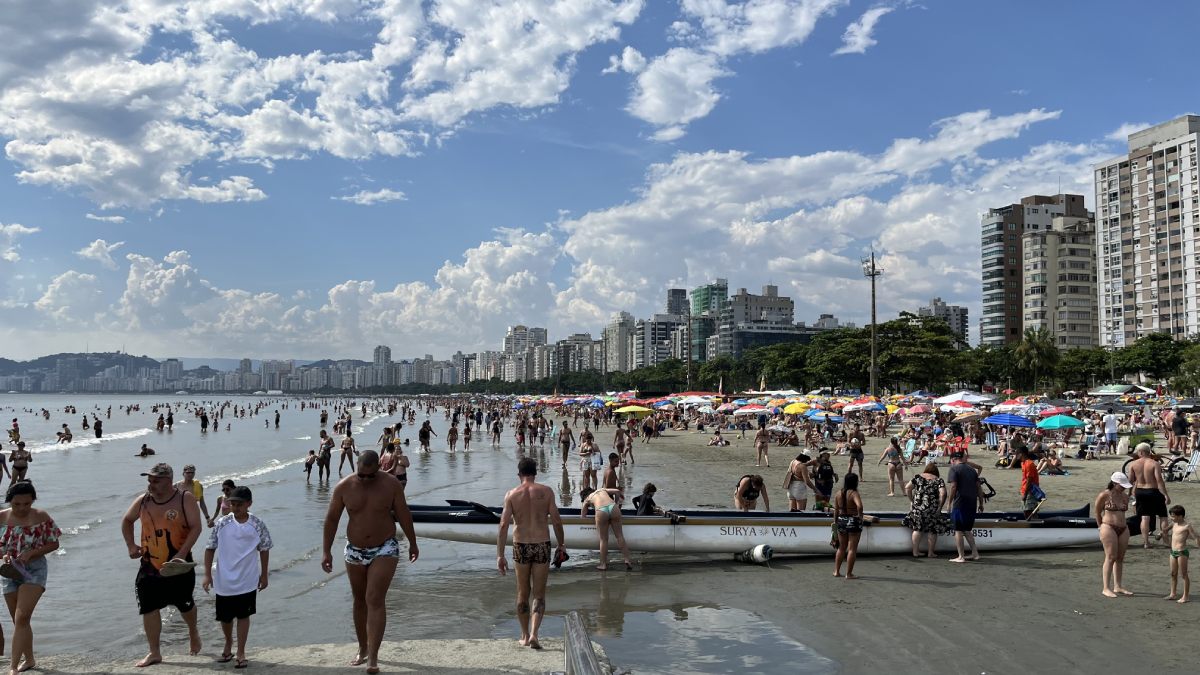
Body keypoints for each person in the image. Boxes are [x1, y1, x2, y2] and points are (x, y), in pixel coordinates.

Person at [321, 450, 419, 674]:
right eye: (361, 475)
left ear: (379, 467)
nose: (364, 480)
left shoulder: (391, 484)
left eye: (369, 476)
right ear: (356, 466)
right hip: (354, 549)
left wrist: (413, 542)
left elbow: (403, 513)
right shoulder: (344, 487)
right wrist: (326, 551)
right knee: (359, 600)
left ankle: (373, 657)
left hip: (384, 546)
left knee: (374, 598)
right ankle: (363, 648)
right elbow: (332, 519)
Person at [120, 463, 204, 667]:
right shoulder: (143, 501)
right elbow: (127, 520)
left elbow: (196, 527)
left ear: (168, 481)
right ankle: (154, 652)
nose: (151, 484)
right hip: (149, 565)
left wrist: (182, 554)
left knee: (184, 603)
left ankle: (193, 631)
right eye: (149, 480)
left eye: (156, 480)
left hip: (178, 565)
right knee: (148, 607)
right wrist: (131, 545)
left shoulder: (185, 499)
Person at [496, 457, 566, 650]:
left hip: (521, 546)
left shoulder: (511, 494)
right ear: (535, 473)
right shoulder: (546, 492)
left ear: (519, 474)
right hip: (541, 544)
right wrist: (561, 544)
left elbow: (503, 525)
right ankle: (535, 633)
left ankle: (524, 635)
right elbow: (557, 521)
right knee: (539, 594)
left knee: (522, 592)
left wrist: (500, 555)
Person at [203, 486, 272, 668]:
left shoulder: (257, 524)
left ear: (249, 503)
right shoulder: (222, 523)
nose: (235, 507)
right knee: (225, 618)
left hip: (247, 580)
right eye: (232, 503)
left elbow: (264, 549)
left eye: (239, 504)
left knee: (243, 616)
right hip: (224, 579)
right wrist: (207, 575)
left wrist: (264, 575)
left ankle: (241, 651)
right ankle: (228, 643)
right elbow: (210, 548)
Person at [0, 481, 60, 675]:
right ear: (10, 501)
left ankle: (13, 667)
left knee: (22, 615)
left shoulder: (41, 517)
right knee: (18, 620)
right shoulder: (1, 518)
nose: (22, 508)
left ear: (32, 501)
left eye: (27, 504)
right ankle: (30, 659)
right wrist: (4, 555)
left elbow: (54, 543)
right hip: (9, 571)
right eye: (17, 504)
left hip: (34, 570)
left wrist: (32, 553)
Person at [1094, 472, 1133, 598]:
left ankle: (1118, 586)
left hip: (1123, 527)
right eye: (1121, 485)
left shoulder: (1125, 496)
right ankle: (1106, 587)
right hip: (1108, 526)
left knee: (1120, 558)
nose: (1123, 488)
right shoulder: (1104, 495)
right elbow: (1097, 512)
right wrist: (1100, 527)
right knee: (1110, 557)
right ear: (1115, 483)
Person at [1128, 443, 1170, 548]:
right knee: (1163, 516)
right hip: (1153, 491)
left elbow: (1130, 481)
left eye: (1138, 452)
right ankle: (1165, 541)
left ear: (1141, 452)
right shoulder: (1154, 464)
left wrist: (1129, 494)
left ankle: (1146, 542)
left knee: (1144, 517)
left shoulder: (1133, 464)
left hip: (1140, 491)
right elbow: (1159, 481)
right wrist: (1166, 495)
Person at [581, 487, 634, 571]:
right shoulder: (602, 490)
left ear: (584, 496)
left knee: (603, 539)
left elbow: (583, 515)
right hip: (613, 507)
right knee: (620, 536)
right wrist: (616, 503)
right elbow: (617, 491)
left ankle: (603, 564)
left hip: (601, 511)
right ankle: (627, 560)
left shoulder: (588, 498)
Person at [902, 463, 948, 558]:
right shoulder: (938, 480)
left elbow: (907, 487)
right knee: (933, 530)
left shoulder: (918, 477)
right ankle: (931, 553)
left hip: (918, 507)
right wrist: (940, 507)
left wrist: (911, 501)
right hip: (932, 508)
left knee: (917, 529)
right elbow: (943, 494)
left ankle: (915, 552)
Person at [946, 454, 981, 563]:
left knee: (958, 530)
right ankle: (975, 553)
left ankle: (961, 556)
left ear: (953, 459)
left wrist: (949, 502)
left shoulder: (954, 469)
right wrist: (981, 503)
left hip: (960, 502)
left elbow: (953, 486)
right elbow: (978, 487)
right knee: (967, 529)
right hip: (972, 502)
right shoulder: (972, 470)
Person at [1161, 505, 1199, 603]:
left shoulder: (1187, 526)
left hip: (1182, 552)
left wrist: (1197, 542)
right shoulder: (1174, 523)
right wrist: (1162, 533)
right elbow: (1165, 529)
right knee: (1173, 574)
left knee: (1184, 574)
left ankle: (1185, 596)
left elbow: (1195, 536)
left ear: (1181, 516)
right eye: (1171, 516)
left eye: (1173, 516)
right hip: (1173, 552)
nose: (1171, 518)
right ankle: (1172, 594)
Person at [833, 473, 864, 579]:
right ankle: (849, 574)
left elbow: (836, 510)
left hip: (841, 520)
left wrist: (835, 522)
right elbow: (859, 506)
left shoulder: (838, 493)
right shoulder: (854, 493)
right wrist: (860, 516)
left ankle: (836, 571)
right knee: (852, 549)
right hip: (853, 521)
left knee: (841, 547)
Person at [1018, 449, 1042, 518]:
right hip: (1025, 489)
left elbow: (1029, 480)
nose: (1015, 455)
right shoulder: (1023, 463)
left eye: (1016, 454)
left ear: (1021, 454)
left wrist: (1025, 494)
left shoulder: (1029, 464)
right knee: (1026, 511)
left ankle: (1033, 526)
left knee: (1029, 511)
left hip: (1030, 490)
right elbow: (1024, 479)